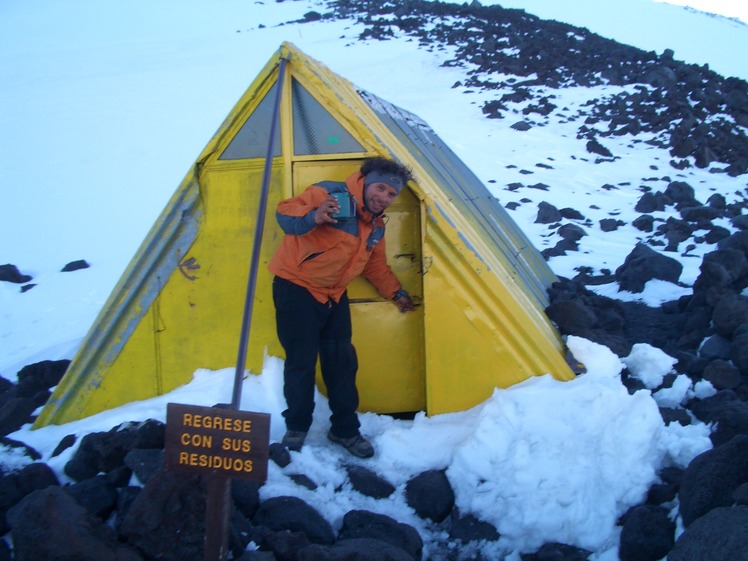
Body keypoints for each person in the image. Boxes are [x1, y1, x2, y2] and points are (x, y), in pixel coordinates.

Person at [268, 157, 416, 458]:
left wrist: (396, 293)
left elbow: (375, 266)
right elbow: (285, 213)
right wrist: (315, 215)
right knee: (301, 362)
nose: (384, 197)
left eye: (391, 194)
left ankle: (345, 430)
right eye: (380, 188)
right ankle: (296, 427)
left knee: (342, 364)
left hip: (333, 295)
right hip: (296, 289)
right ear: (366, 182)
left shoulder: (375, 226)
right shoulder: (328, 195)